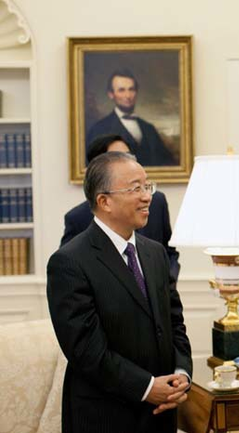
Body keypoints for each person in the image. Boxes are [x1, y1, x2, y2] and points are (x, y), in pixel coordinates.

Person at [47, 151, 192, 433]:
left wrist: (181, 374)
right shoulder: (69, 262)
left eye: (147, 186)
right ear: (104, 201)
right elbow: (86, 351)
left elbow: (175, 323)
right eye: (135, 188)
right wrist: (148, 387)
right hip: (104, 416)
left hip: (161, 414)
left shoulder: (155, 253)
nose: (147, 196)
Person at [62, 134, 180, 286]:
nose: (146, 197)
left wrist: (164, 285)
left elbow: (169, 253)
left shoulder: (156, 203)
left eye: (129, 156)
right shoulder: (77, 220)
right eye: (118, 157)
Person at [86, 68, 176, 166]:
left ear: (136, 92)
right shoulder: (99, 129)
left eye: (131, 89)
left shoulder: (149, 129)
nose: (128, 95)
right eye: (121, 90)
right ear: (111, 94)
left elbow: (167, 162)